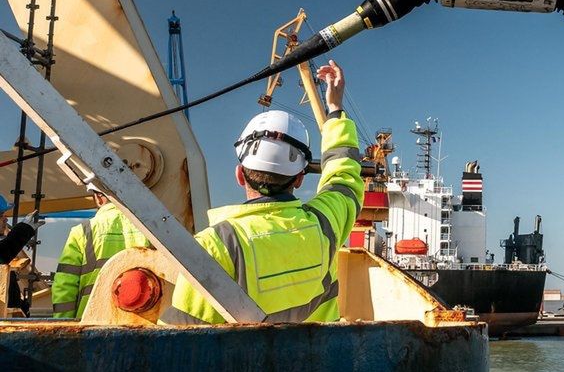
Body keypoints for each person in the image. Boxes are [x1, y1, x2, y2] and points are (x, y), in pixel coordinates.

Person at [160, 60, 363, 324]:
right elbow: (344, 176)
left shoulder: (214, 246)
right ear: (300, 178)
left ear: (239, 174)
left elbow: (183, 337)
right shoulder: (324, 225)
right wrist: (335, 110)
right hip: (319, 365)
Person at [52, 189, 151, 318]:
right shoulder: (150, 230)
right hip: (142, 321)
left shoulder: (82, 231)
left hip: (91, 321)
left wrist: (63, 327)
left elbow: (64, 286)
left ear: (99, 198)